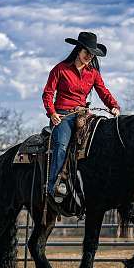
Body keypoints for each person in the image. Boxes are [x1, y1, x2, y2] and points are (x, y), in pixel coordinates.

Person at [42, 31, 120, 201]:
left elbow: (103, 91)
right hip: (62, 115)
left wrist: (113, 106)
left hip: (83, 114)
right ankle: (53, 185)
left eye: (92, 55)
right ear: (78, 50)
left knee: (101, 140)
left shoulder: (93, 73)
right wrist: (52, 113)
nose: (89, 57)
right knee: (62, 145)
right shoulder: (60, 69)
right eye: (87, 53)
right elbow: (48, 93)